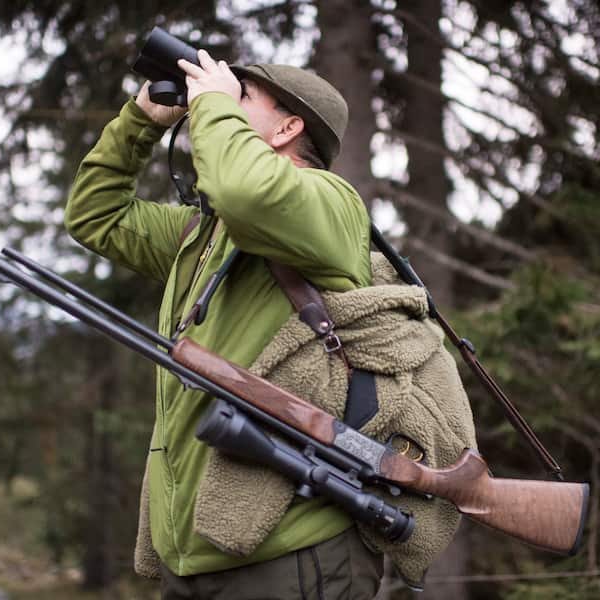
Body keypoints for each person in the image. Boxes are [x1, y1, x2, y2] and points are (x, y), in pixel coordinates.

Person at [64, 49, 381, 599]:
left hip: (290, 549)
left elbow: (246, 192)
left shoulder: (333, 204)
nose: (217, 99)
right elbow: (96, 215)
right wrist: (140, 121)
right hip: (195, 546)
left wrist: (212, 101)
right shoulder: (206, 233)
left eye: (242, 96)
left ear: (287, 128)